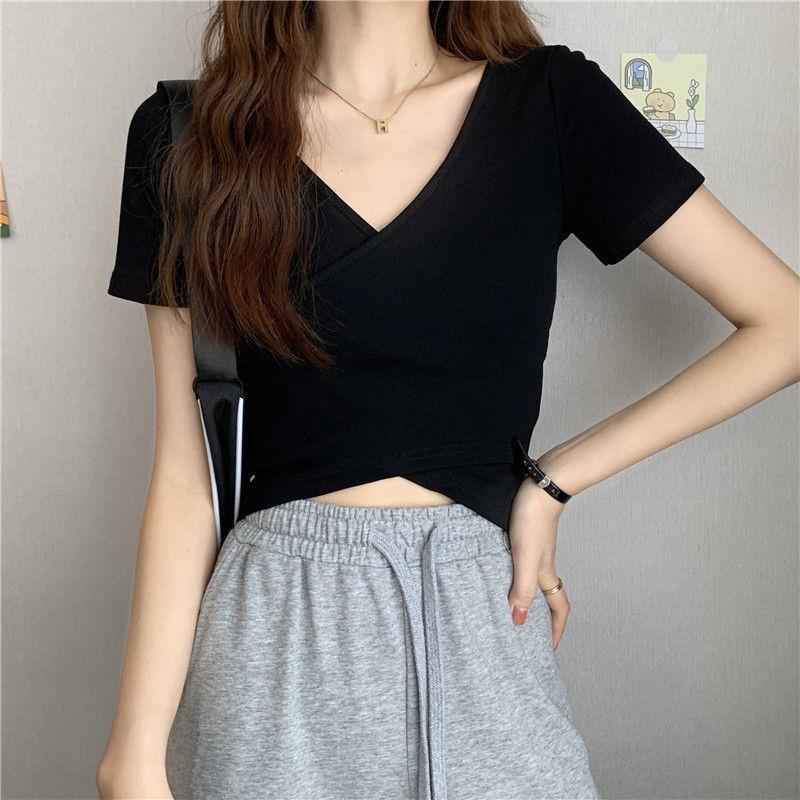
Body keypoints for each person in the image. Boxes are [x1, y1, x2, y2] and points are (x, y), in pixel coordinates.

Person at [95, 2, 799, 799]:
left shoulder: (550, 102)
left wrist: (555, 479)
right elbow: (187, 476)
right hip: (277, 640)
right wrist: (134, 752)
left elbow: (785, 324)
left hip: (482, 612)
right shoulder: (190, 134)